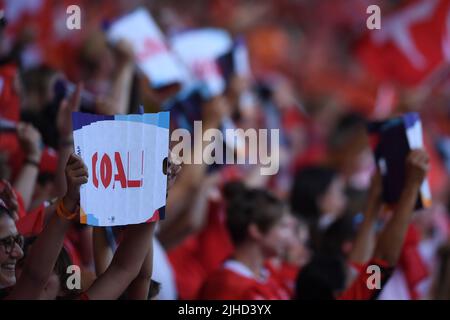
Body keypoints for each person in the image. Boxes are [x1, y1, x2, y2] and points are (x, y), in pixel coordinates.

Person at [198, 182, 293, 300]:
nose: (290, 239)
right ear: (255, 231)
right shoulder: (225, 286)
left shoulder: (268, 273)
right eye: (283, 227)